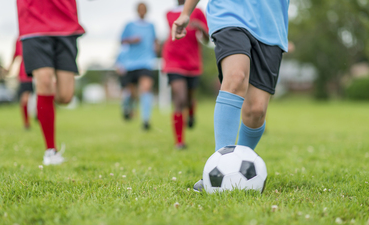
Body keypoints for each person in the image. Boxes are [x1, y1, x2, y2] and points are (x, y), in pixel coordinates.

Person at [172, 0, 289, 191]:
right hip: (229, 12)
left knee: (256, 111)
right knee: (235, 77)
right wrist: (186, 12)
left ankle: (237, 172)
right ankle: (216, 172)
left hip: (271, 24)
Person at [17, 0, 85, 165]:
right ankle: (51, 151)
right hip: (33, 24)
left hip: (66, 25)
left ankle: (40, 103)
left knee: (65, 97)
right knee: (45, 81)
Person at [162, 0, 208, 149]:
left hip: (192, 62)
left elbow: (207, 39)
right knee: (179, 99)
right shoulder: (169, 14)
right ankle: (179, 142)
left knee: (189, 99)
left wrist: (201, 27)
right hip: (173, 61)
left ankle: (192, 113)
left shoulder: (198, 11)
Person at [120, 2, 158, 130]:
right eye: (140, 9)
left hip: (146, 63)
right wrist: (132, 40)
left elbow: (155, 40)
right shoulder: (129, 25)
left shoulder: (151, 26)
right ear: (137, 11)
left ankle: (146, 121)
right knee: (131, 93)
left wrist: (156, 48)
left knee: (146, 89)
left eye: (144, 9)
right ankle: (127, 107)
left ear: (146, 11)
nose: (142, 11)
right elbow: (121, 40)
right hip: (131, 64)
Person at [11, 38, 33, 129]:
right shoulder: (19, 39)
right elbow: (15, 55)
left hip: (40, 70)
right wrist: (9, 67)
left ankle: (39, 117)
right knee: (25, 99)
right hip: (26, 73)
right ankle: (26, 123)